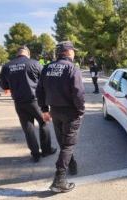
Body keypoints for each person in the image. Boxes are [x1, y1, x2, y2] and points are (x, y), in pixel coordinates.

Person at [36, 41, 85, 193]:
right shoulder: (72, 68)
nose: (74, 53)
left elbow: (40, 90)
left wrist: (44, 109)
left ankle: (71, 164)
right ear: (69, 52)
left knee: (64, 142)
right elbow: (78, 93)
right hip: (70, 112)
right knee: (68, 144)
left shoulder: (47, 67)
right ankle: (59, 179)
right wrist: (81, 110)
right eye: (73, 51)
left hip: (54, 111)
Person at [0, 45, 56, 162]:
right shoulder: (34, 63)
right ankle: (46, 150)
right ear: (28, 54)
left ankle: (35, 154)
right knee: (43, 123)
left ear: (17, 54)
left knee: (28, 127)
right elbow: (45, 82)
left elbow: (4, 86)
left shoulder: (7, 66)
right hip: (35, 101)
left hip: (19, 102)